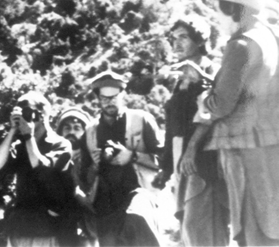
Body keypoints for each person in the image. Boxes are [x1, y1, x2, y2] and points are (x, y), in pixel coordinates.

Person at [198, 0, 279, 246]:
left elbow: (221, 105)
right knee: (271, 219)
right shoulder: (270, 36)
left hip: (243, 148)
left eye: (217, 8)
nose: (216, 17)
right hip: (269, 143)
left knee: (250, 224)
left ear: (232, 9)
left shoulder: (240, 45)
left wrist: (205, 99)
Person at [154, 15, 228, 246]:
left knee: (203, 226)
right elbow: (173, 128)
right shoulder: (181, 78)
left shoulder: (212, 71)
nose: (176, 43)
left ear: (199, 40)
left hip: (203, 159)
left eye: (183, 37)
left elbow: (210, 115)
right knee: (189, 227)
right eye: (173, 38)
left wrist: (191, 151)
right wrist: (165, 169)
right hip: (182, 159)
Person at [77, 71, 163, 246]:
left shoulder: (142, 120)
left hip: (138, 193)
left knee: (137, 219)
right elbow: (84, 178)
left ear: (122, 94)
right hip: (105, 204)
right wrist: (94, 166)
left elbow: (164, 161)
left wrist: (132, 156)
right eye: (105, 98)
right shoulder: (90, 131)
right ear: (98, 99)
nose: (110, 102)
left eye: (114, 97)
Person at [0, 92, 76, 247]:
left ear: (43, 115)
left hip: (48, 229)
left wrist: (28, 137)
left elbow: (40, 165)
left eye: (27, 111)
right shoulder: (21, 144)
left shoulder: (61, 144)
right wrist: (12, 130)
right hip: (20, 227)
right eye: (19, 111)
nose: (23, 116)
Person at [55, 107, 96, 245]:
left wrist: (77, 193)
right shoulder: (50, 158)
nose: (71, 132)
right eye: (66, 128)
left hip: (89, 230)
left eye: (77, 128)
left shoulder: (93, 161)